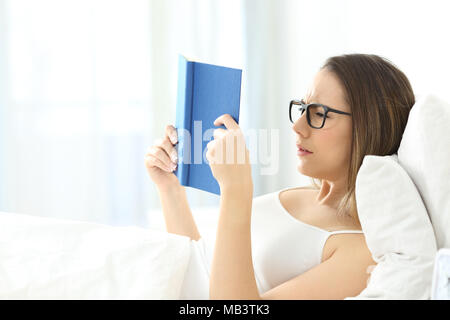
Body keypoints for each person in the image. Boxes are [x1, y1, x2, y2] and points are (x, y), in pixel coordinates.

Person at [144, 53, 415, 300]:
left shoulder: (358, 252)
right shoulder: (303, 195)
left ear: (368, 128)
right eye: (302, 109)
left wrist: (236, 190)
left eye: (319, 114)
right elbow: (199, 271)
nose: (297, 127)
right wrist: (169, 189)